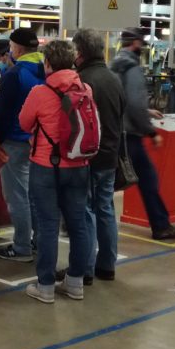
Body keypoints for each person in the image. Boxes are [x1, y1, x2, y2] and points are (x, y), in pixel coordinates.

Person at [18, 39, 92, 303]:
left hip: (46, 165)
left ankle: (46, 286)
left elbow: (24, 123)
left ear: (47, 63)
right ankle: (75, 283)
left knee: (48, 226)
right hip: (79, 164)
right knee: (78, 224)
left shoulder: (40, 92)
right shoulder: (85, 89)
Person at [111, 27, 175, 241]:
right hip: (131, 137)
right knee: (148, 179)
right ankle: (161, 226)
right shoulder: (132, 68)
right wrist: (151, 132)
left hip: (114, 132)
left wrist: (146, 111)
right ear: (135, 43)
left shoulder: (113, 65)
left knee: (107, 183)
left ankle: (74, 222)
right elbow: (134, 104)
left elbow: (122, 100)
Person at [71, 28, 126, 283]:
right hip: (111, 156)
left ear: (80, 53)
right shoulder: (114, 79)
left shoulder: (82, 81)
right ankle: (106, 266)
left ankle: (85, 269)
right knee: (105, 210)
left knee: (86, 212)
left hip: (89, 157)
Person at [0, 27, 45, 262]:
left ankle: (22, 247)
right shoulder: (46, 70)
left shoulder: (15, 74)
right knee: (33, 194)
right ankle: (39, 241)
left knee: (17, 196)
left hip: (14, 140)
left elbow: (2, 113)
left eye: (11, 47)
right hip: (39, 141)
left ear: (18, 49)